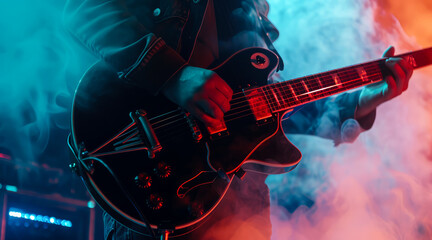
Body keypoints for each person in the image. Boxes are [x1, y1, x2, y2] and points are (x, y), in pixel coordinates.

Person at [63, 0, 413, 239]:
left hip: (241, 196)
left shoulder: (254, 8)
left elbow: (264, 107)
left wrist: (361, 102)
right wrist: (172, 75)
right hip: (156, 164)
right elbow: (85, 10)